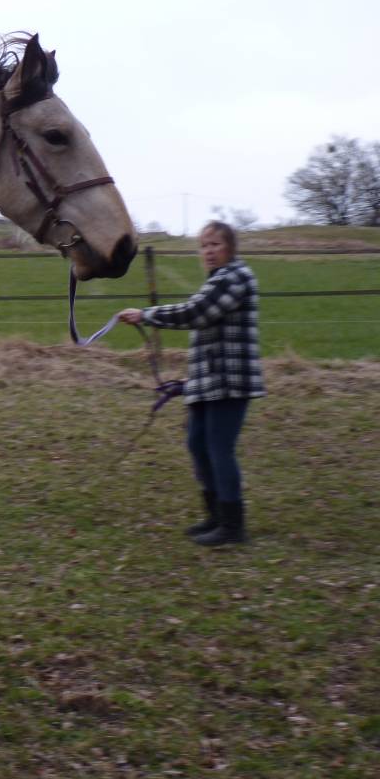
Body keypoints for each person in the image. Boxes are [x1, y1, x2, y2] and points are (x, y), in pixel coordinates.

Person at [117, 221, 265, 546]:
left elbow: (196, 313)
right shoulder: (218, 280)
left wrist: (147, 315)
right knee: (197, 445)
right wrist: (191, 379)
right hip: (207, 381)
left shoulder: (235, 278)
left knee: (218, 448)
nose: (209, 251)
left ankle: (232, 526)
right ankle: (215, 516)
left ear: (230, 248)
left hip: (229, 382)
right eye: (204, 245)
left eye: (215, 244)